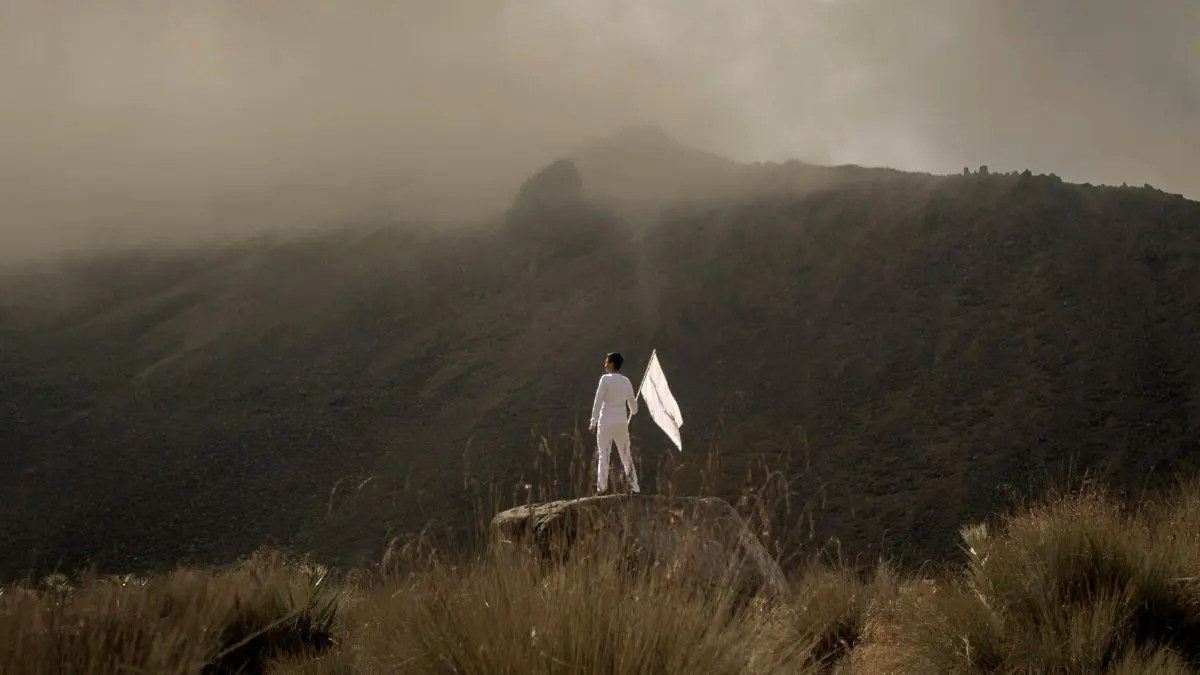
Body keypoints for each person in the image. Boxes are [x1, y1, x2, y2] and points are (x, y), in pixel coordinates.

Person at [589, 352, 640, 494]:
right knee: (626, 455)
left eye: (606, 362)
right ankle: (634, 487)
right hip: (621, 423)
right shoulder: (626, 381)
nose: (605, 365)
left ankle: (602, 488)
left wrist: (593, 421)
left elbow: (598, 401)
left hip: (605, 422)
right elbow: (634, 409)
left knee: (603, 454)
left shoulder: (605, 379)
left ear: (611, 364)